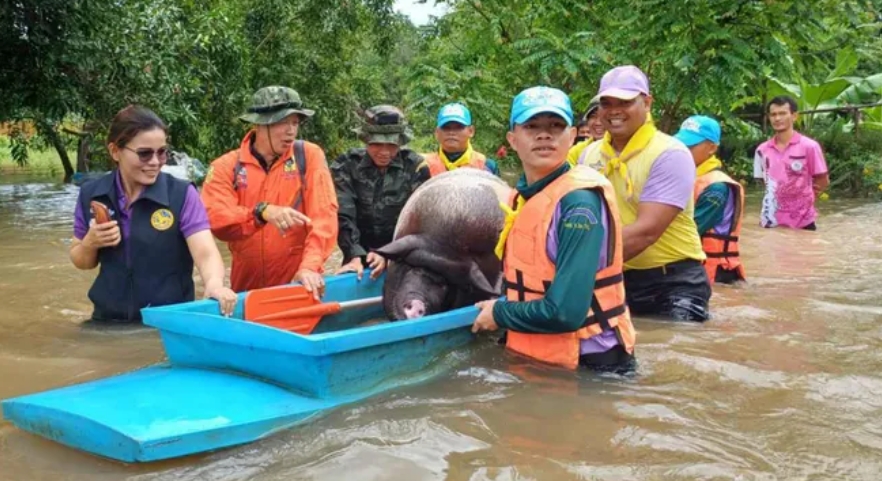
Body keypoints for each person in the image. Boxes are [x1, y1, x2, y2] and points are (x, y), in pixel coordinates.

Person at [471, 86, 636, 373]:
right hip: (541, 357)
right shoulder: (524, 196)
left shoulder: (578, 203)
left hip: (590, 365)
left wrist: (499, 313)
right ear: (512, 139)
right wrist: (502, 303)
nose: (544, 135)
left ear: (572, 136)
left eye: (556, 126)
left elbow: (566, 313)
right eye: (532, 126)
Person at [71, 105, 237, 322]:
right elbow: (81, 261)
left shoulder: (181, 194)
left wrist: (215, 284)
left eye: (162, 152)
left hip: (168, 323)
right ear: (115, 151)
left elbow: (205, 253)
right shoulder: (92, 194)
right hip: (107, 321)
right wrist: (90, 243)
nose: (155, 162)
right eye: (144, 153)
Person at [580, 65, 710, 322]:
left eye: (625, 102)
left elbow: (646, 231)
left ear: (647, 103)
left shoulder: (670, 153)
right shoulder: (589, 154)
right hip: (616, 278)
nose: (614, 111)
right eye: (606, 103)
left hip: (673, 283)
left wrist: (572, 268)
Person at [200, 86, 338, 297]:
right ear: (259, 125)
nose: (291, 131)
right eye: (282, 122)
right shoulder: (225, 166)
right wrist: (260, 213)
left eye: (295, 122)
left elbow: (324, 218)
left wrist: (310, 266)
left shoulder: (309, 156)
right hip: (244, 287)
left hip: (297, 286)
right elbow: (216, 220)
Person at [333, 105, 430, 280]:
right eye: (376, 144)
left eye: (391, 145)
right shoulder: (346, 165)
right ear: (365, 140)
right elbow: (343, 215)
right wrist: (354, 254)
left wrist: (390, 253)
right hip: (358, 257)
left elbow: (420, 222)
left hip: (404, 257)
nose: (384, 152)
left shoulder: (415, 167)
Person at [674, 115, 746, 285]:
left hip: (716, 275)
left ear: (712, 148)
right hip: (697, 269)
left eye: (690, 146)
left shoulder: (716, 187)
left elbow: (689, 230)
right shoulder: (687, 177)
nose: (682, 150)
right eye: (680, 144)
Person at [753, 96, 829, 230]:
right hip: (770, 221)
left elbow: (822, 180)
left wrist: (803, 201)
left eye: (782, 113)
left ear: (794, 116)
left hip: (803, 222)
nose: (777, 118)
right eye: (773, 114)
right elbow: (764, 183)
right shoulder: (762, 150)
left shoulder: (809, 147)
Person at [421, 103, 500, 177]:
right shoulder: (423, 166)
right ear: (437, 133)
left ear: (471, 131)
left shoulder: (486, 166)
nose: (451, 132)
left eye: (458, 127)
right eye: (446, 127)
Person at [567, 100, 604, 166]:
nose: (598, 123)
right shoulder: (577, 150)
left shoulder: (622, 147)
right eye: (593, 116)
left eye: (603, 116)